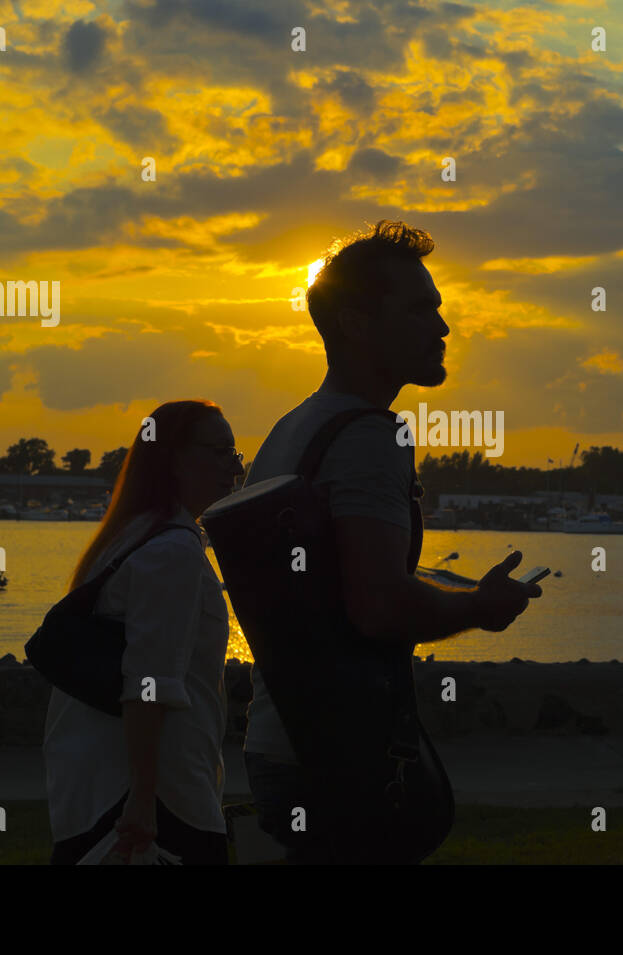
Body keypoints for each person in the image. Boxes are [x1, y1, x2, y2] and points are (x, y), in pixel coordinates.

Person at [242, 220, 542, 862]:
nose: (443, 327)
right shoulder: (371, 437)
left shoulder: (291, 429)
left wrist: (438, 587)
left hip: (279, 741)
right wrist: (476, 610)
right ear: (355, 322)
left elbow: (330, 583)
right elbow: (376, 606)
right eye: (420, 309)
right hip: (338, 756)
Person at [44, 399, 244, 865]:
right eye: (217, 453)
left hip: (104, 789)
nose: (232, 469)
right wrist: (143, 800)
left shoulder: (131, 537)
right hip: (157, 799)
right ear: (172, 458)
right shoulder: (171, 551)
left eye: (233, 455)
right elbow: (147, 684)